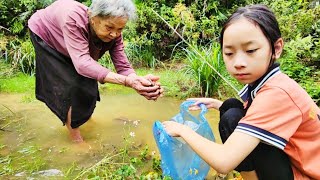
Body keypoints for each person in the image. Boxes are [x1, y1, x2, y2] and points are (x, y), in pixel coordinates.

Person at [163, 4, 320, 180]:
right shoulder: (271, 83)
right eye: (229, 53)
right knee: (230, 106)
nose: (238, 62)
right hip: (295, 163)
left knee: (232, 119)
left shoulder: (278, 93)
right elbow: (257, 115)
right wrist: (216, 104)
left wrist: (183, 130)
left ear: (276, 48)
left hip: (307, 174)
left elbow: (224, 161)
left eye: (250, 50)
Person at [28, 0, 163, 143]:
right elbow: (82, 64)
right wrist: (126, 81)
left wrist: (137, 80)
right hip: (46, 36)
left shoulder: (114, 30)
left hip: (75, 49)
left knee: (87, 81)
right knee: (70, 86)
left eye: (120, 29)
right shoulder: (73, 19)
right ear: (93, 18)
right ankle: (76, 139)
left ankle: (86, 120)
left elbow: (123, 66)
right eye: (109, 27)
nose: (114, 34)